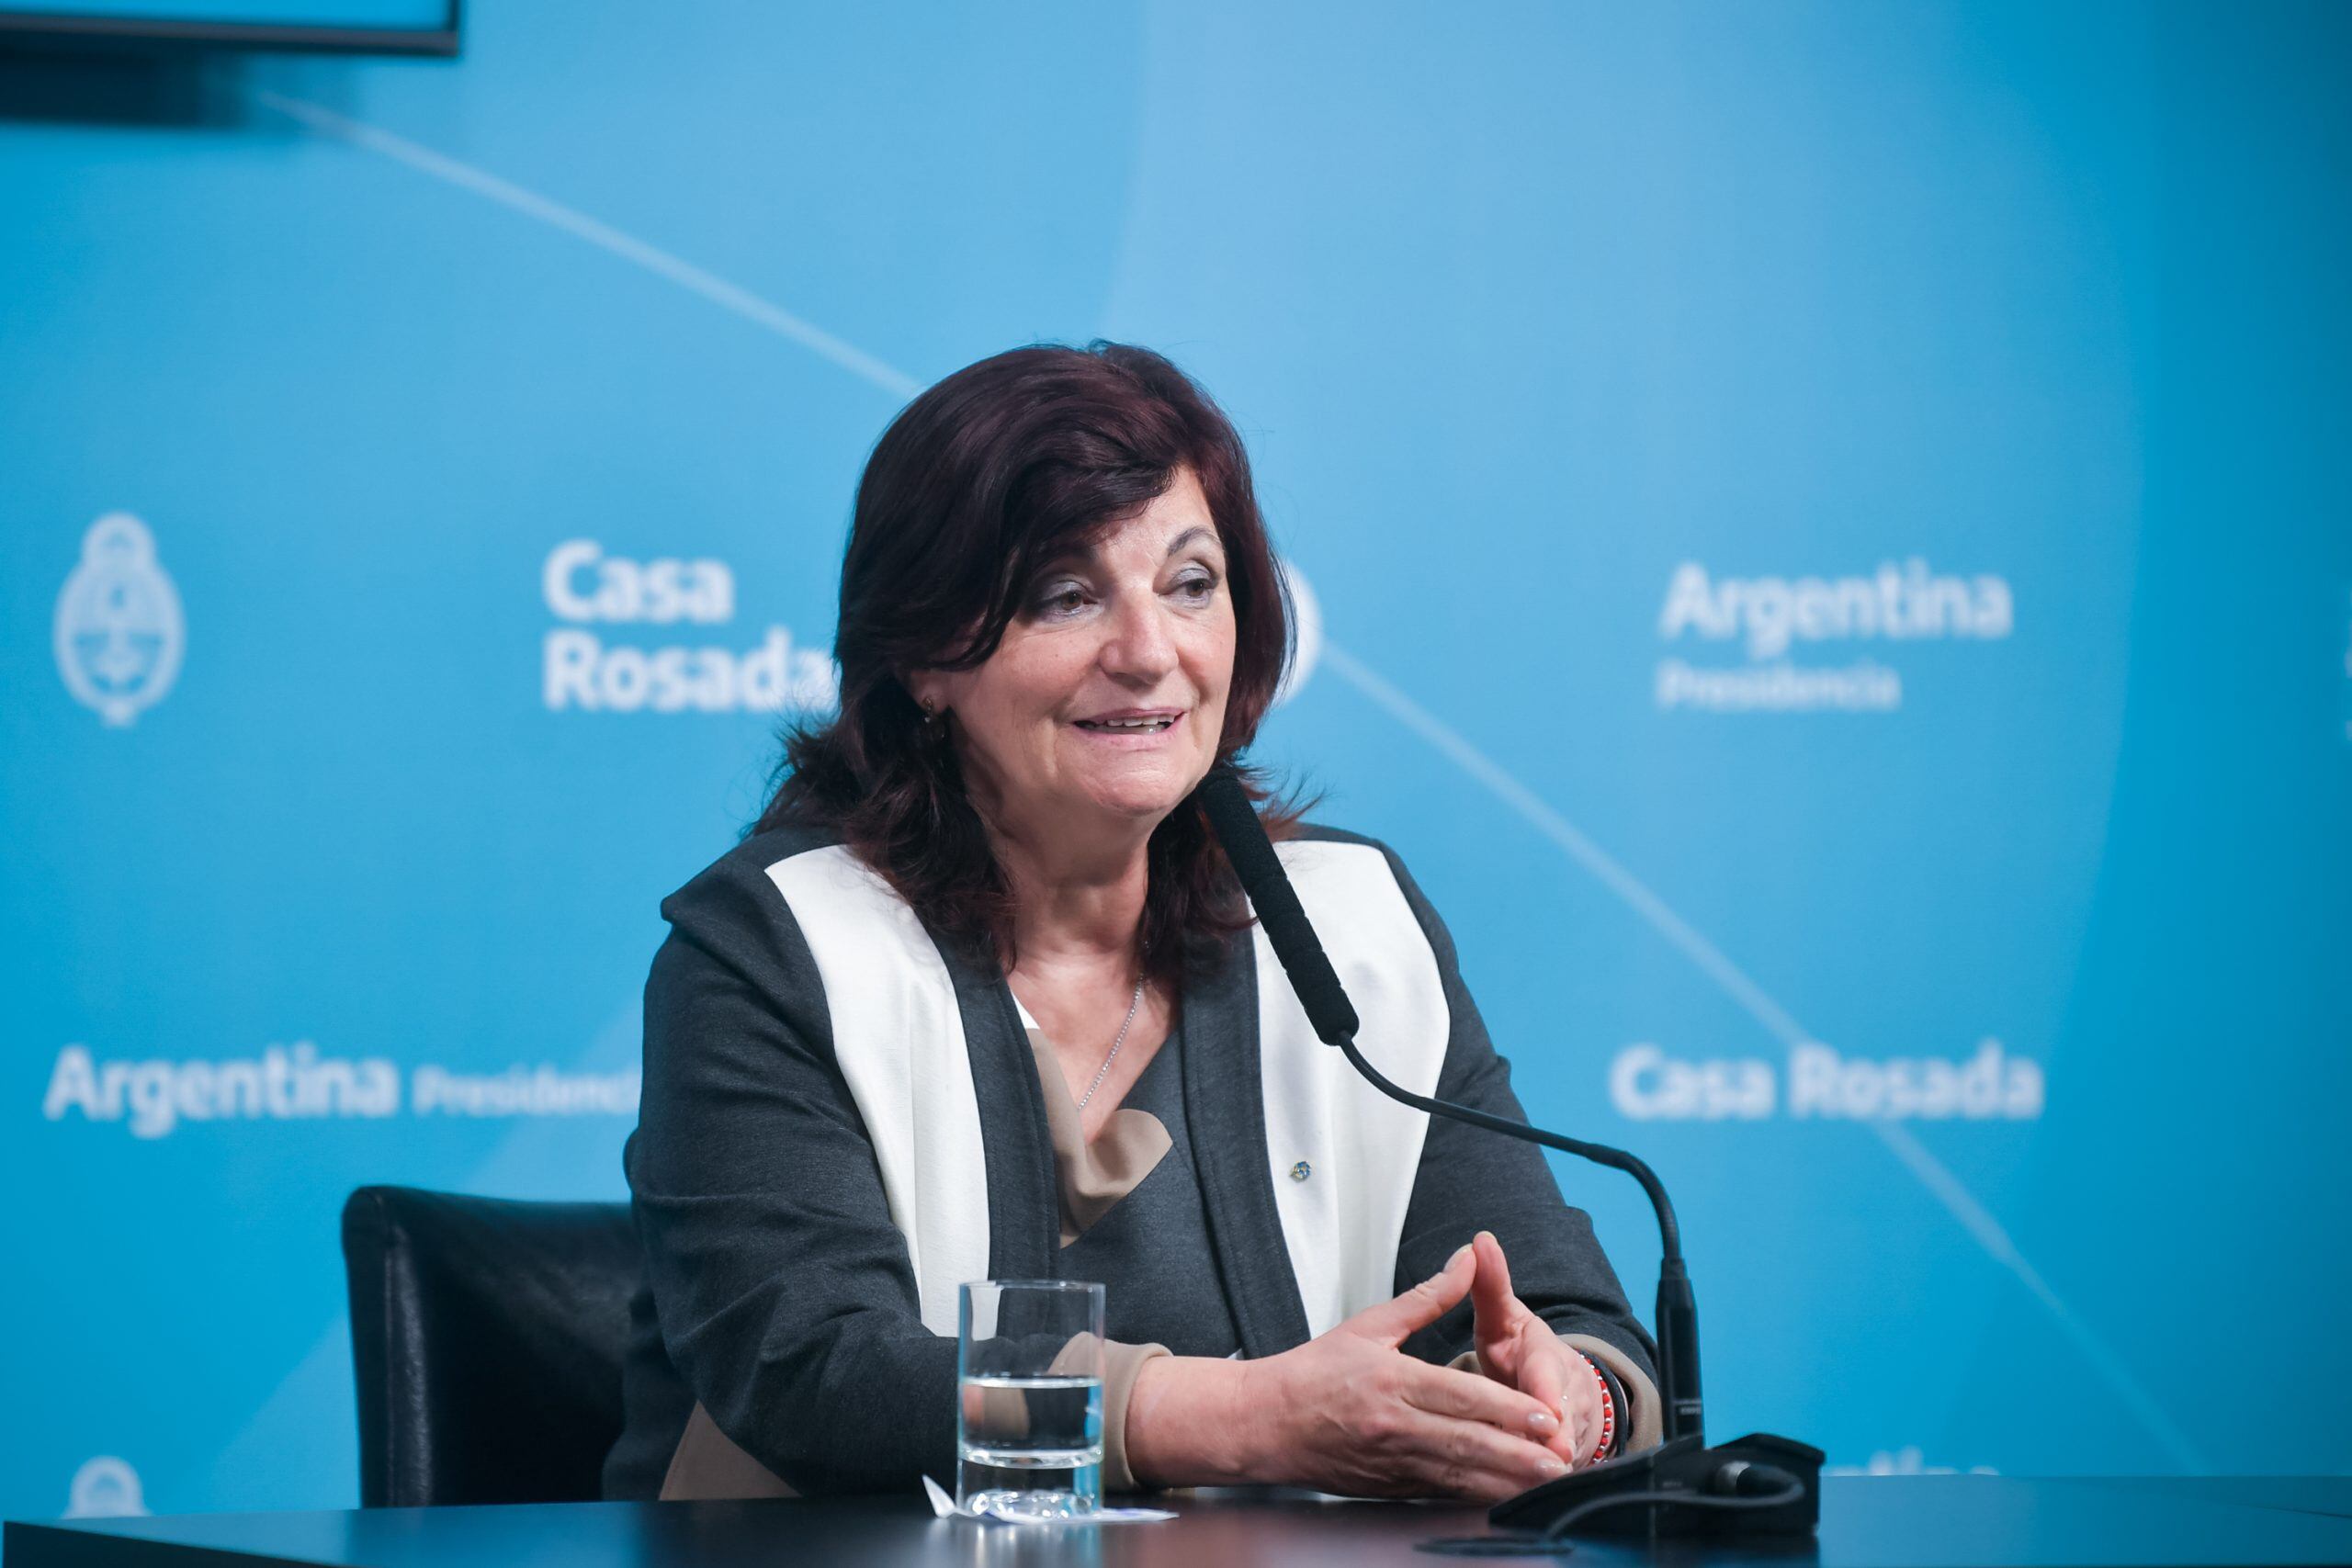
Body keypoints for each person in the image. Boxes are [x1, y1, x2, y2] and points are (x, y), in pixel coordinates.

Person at [602, 343, 1659, 1504]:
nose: (1150, 652)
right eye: (1065, 597)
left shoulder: (1345, 926)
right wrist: (1237, 1419)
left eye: (1190, 583)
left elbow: (1568, 1316)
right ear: (922, 658)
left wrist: (1573, 1401)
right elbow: (813, 1367)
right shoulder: (777, 945)